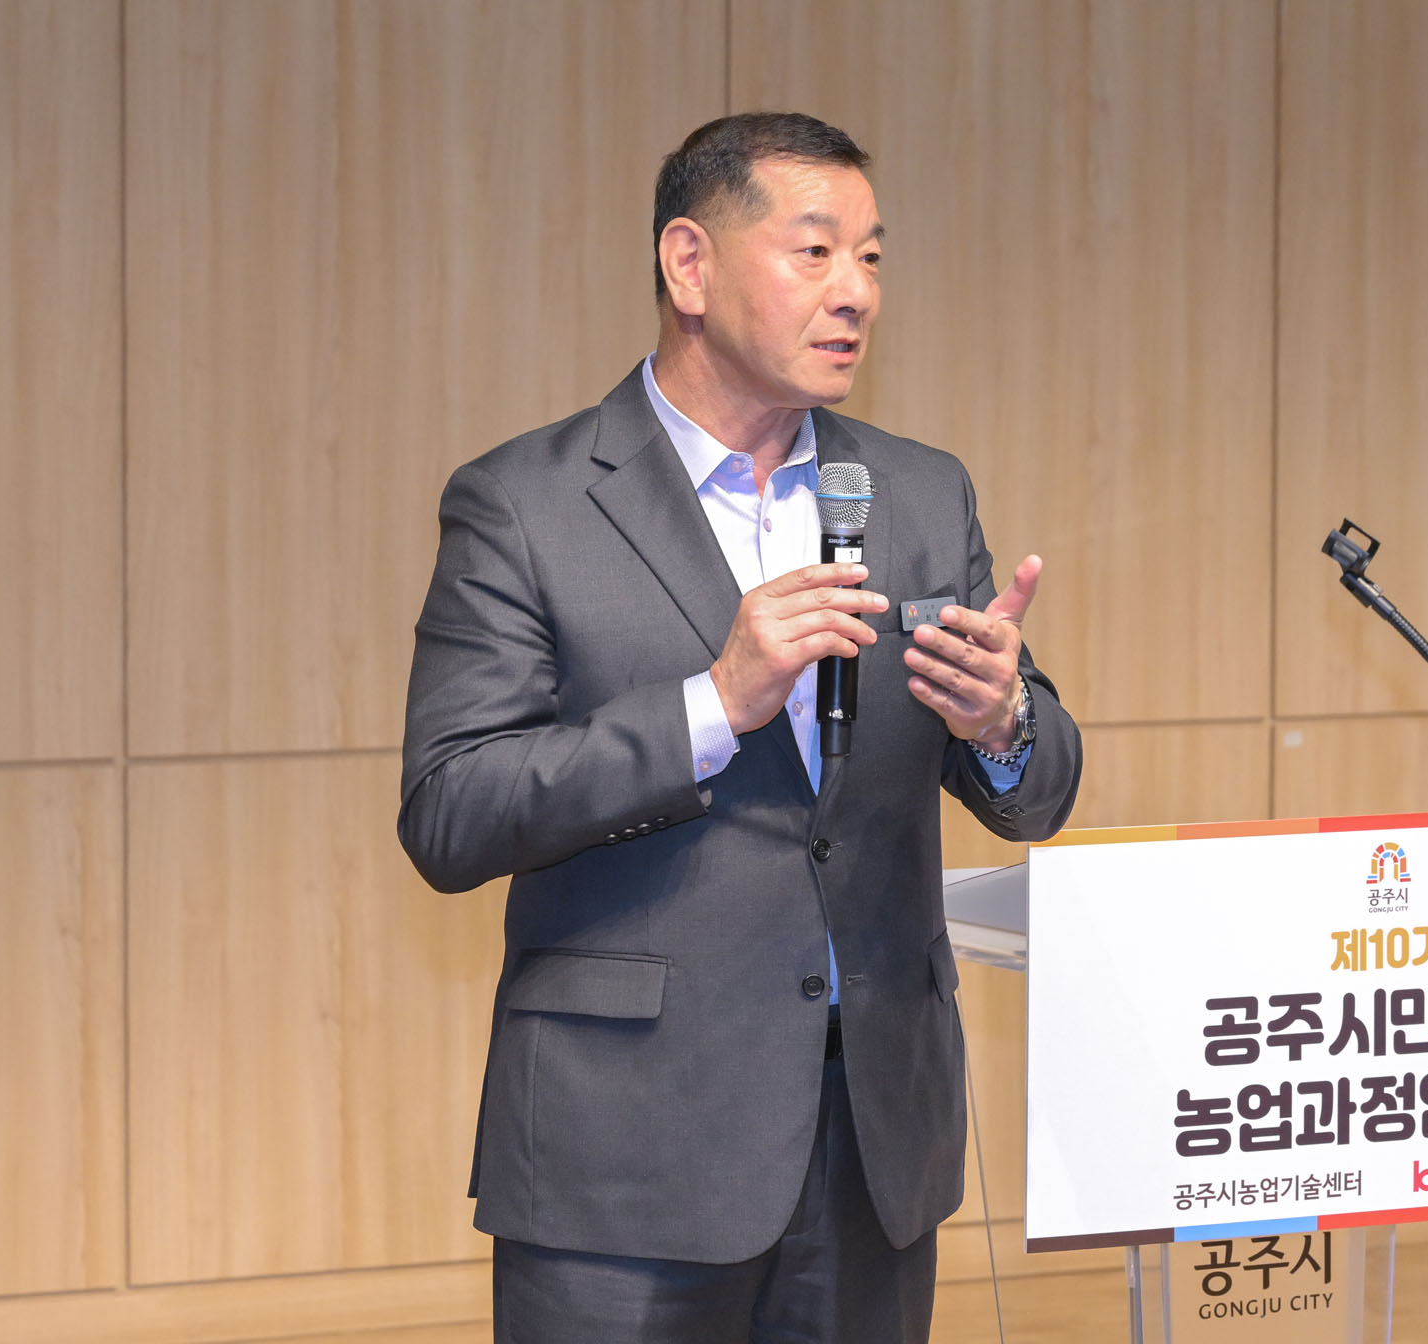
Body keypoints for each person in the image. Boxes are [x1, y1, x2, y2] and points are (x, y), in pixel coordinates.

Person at [398, 112, 1083, 1342]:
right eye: (815, 251)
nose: (855, 292)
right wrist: (712, 704)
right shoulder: (525, 505)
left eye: (871, 257)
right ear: (690, 265)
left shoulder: (921, 492)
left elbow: (1037, 789)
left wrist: (1004, 718)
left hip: (874, 1147)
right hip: (627, 1155)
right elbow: (452, 810)